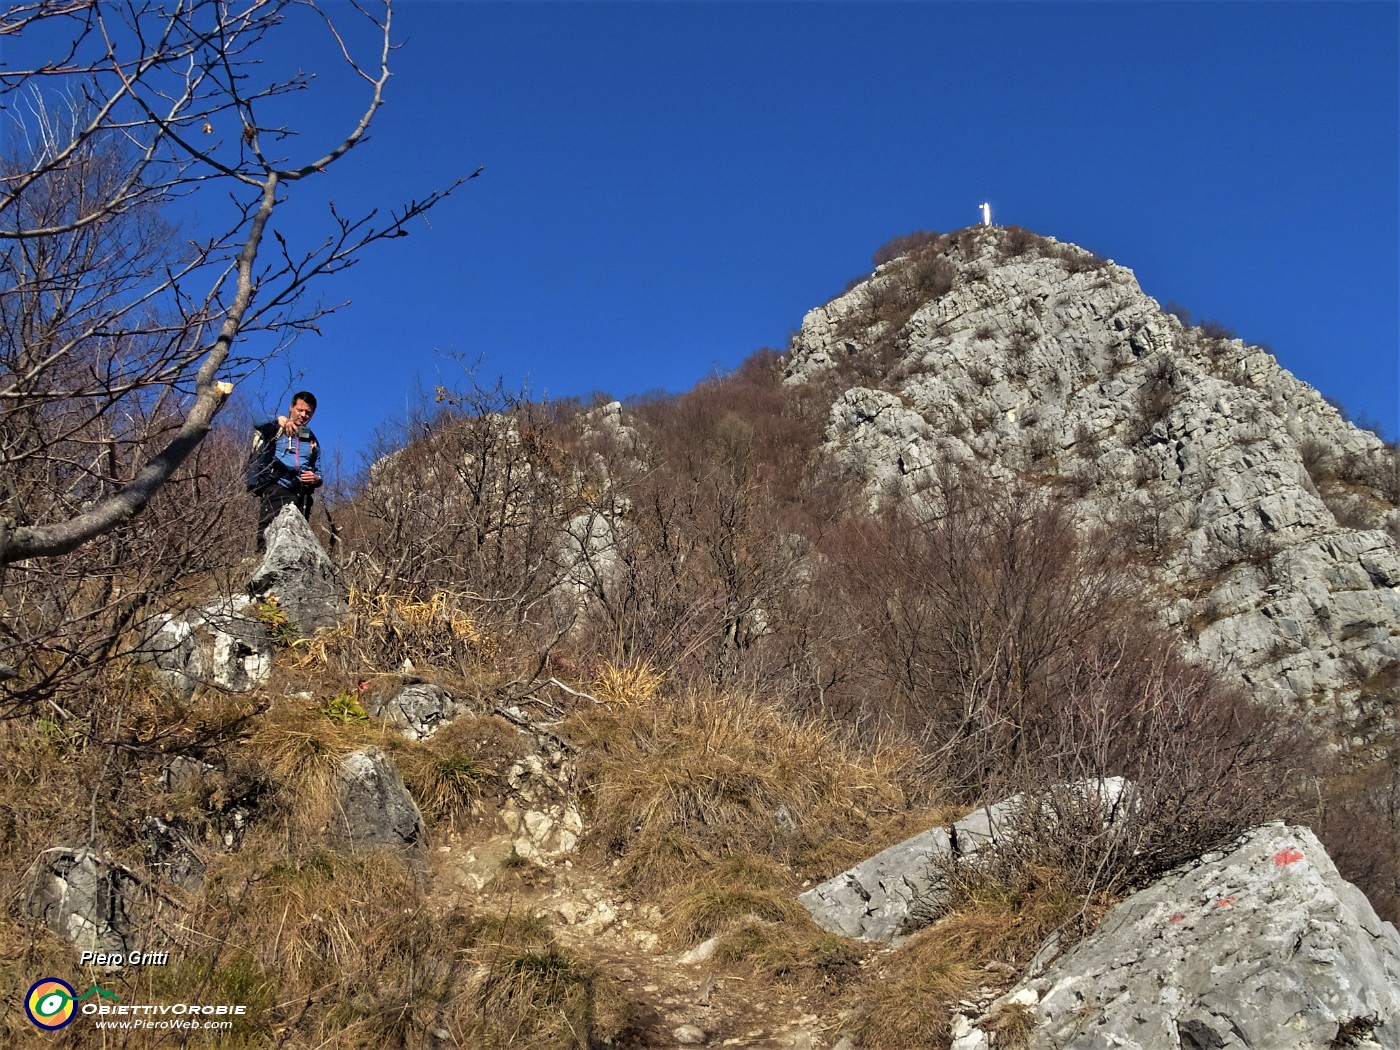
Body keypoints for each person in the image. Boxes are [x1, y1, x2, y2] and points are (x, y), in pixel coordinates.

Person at [247, 391, 322, 552]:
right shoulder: (275, 427)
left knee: (297, 534)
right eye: (299, 410)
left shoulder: (311, 439)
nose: (303, 415)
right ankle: (261, 559)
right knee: (269, 526)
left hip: (302, 492)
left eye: (308, 412)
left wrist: (316, 479)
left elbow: (318, 468)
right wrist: (278, 419)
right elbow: (255, 420)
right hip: (276, 483)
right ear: (291, 407)